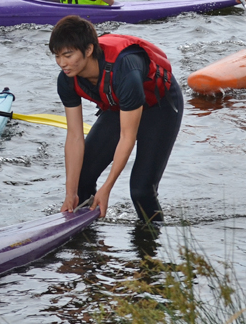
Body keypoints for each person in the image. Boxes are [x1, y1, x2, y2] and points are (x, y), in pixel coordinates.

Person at [49, 15, 182, 222]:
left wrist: (106, 188)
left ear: (89, 50)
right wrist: (70, 193)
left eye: (67, 55)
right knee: (82, 179)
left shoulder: (125, 69)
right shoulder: (66, 80)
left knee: (141, 190)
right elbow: (75, 136)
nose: (62, 64)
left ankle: (150, 247)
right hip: (119, 106)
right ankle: (86, 245)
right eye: (57, 56)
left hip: (159, 106)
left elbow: (127, 137)